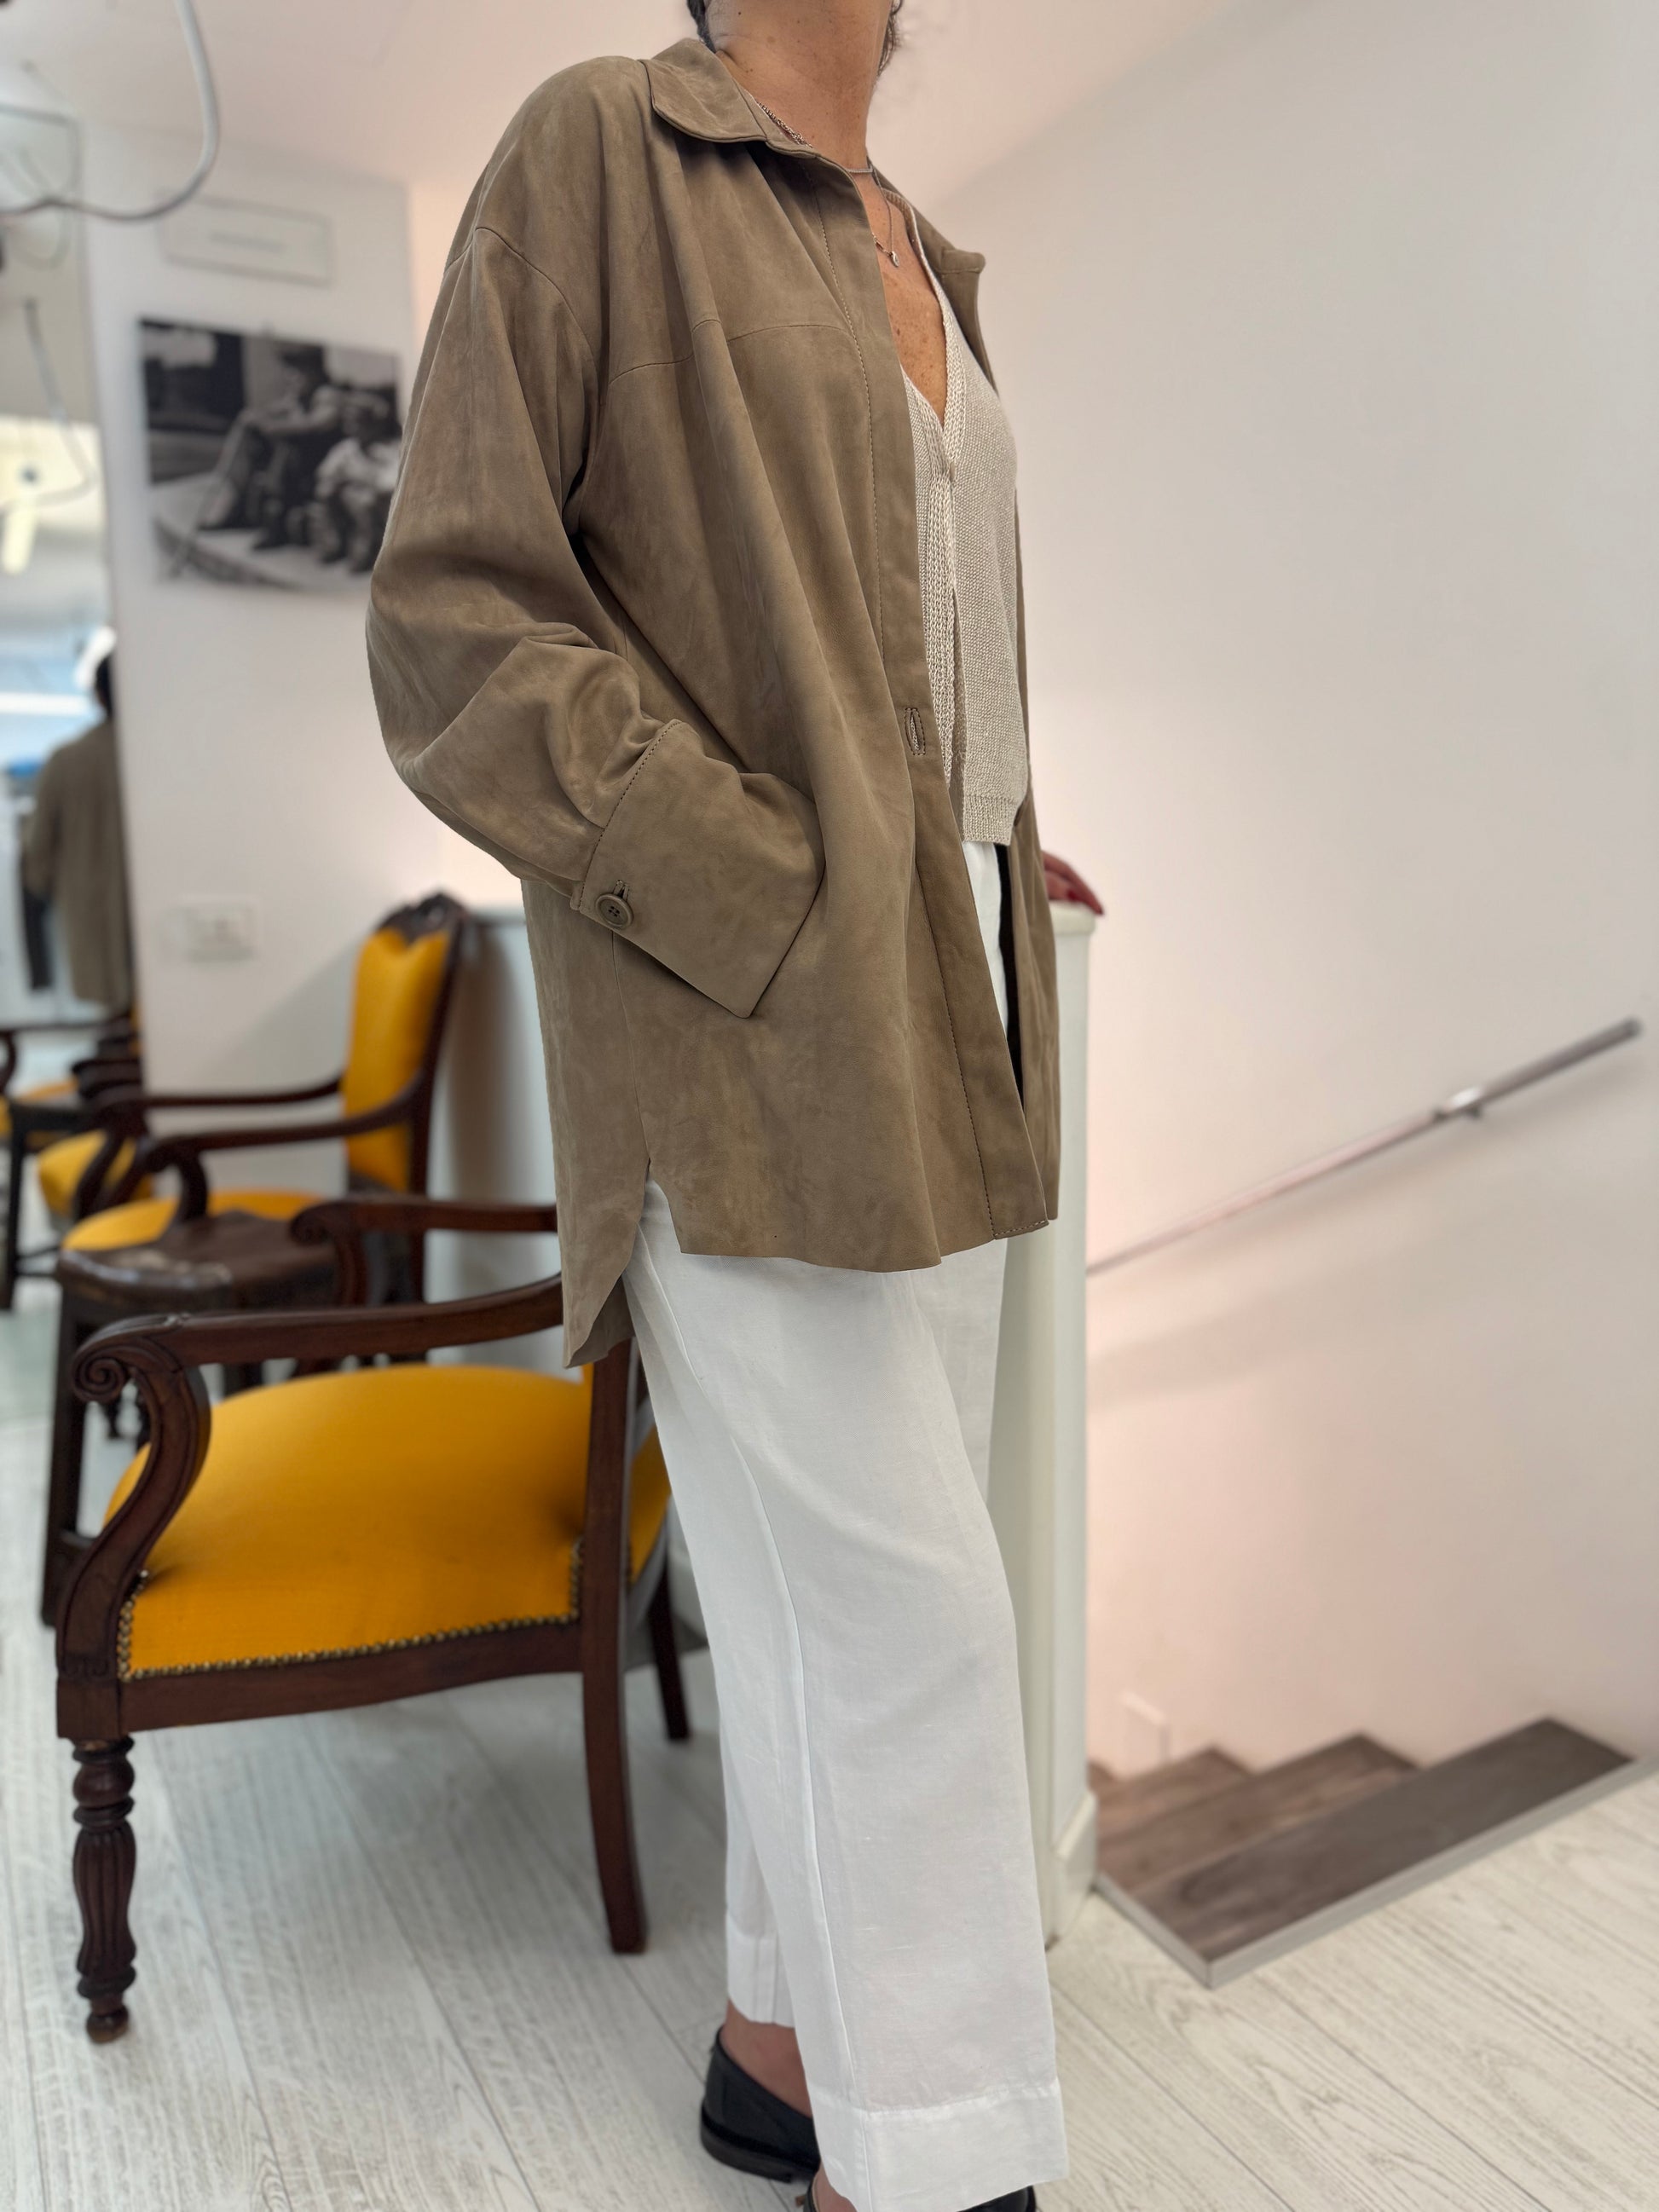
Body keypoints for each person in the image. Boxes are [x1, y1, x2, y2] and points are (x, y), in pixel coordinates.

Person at [368, 8, 1101, 2209]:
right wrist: (749, 877)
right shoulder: (605, 149)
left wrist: (990, 837)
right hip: (746, 1013)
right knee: (908, 1626)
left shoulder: (929, 252)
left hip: (952, 1004)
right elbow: (455, 620)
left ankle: (780, 2049)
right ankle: (932, 2161)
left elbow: (907, 645)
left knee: (834, 1605)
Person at [22, 651, 133, 1014]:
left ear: (98, 695)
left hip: (94, 924)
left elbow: (37, 855)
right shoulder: (166, 757)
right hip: (168, 932)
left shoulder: (66, 761)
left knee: (115, 1023)